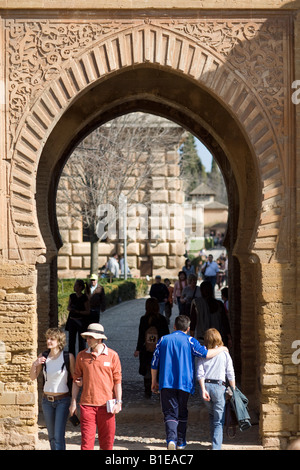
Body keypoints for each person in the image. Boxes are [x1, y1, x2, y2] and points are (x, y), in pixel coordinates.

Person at [151, 315, 228, 450]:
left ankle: (171, 440)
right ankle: (181, 442)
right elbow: (205, 354)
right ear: (188, 328)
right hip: (184, 383)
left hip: (166, 382)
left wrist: (153, 381)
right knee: (182, 411)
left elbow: (154, 363)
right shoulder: (191, 341)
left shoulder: (163, 340)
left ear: (174, 327)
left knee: (169, 412)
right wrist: (222, 348)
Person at [69, 323, 122, 450]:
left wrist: (119, 402)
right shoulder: (81, 356)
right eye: (87, 337)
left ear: (99, 339)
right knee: (86, 445)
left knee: (107, 444)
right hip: (87, 406)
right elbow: (76, 380)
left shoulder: (113, 355)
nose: (87, 340)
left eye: (90, 338)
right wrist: (73, 402)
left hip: (107, 406)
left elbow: (117, 381)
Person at [30, 328, 75, 450]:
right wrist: (35, 364)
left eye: (52, 339)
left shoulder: (68, 357)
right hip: (47, 401)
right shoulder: (43, 356)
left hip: (63, 400)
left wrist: (74, 401)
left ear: (59, 340)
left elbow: (75, 379)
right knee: (51, 436)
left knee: (58, 436)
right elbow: (32, 377)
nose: (48, 341)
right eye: (47, 338)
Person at [196, 328, 236, 450]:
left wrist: (203, 389)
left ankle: (214, 441)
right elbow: (230, 373)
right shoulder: (224, 354)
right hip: (219, 387)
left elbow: (200, 373)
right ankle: (216, 447)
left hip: (206, 386)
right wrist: (233, 390)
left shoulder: (203, 354)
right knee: (218, 420)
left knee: (212, 414)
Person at [134, 298, 169, 397]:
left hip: (146, 350)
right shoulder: (162, 319)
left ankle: (147, 391)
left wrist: (138, 349)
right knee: (159, 369)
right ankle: (159, 391)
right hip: (159, 349)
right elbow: (166, 335)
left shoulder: (143, 319)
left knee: (148, 370)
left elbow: (141, 336)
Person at [190, 281, 232, 347]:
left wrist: (191, 339)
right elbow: (225, 322)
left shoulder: (196, 303)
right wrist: (229, 337)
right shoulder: (219, 304)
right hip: (217, 340)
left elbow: (193, 322)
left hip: (202, 340)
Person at [65, 279, 90, 356]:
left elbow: (87, 311)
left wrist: (78, 312)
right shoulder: (72, 296)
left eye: (76, 285)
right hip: (72, 320)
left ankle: (81, 357)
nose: (74, 287)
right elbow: (68, 307)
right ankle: (71, 358)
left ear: (80, 287)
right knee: (71, 341)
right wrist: (71, 309)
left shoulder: (84, 298)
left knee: (81, 342)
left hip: (81, 322)